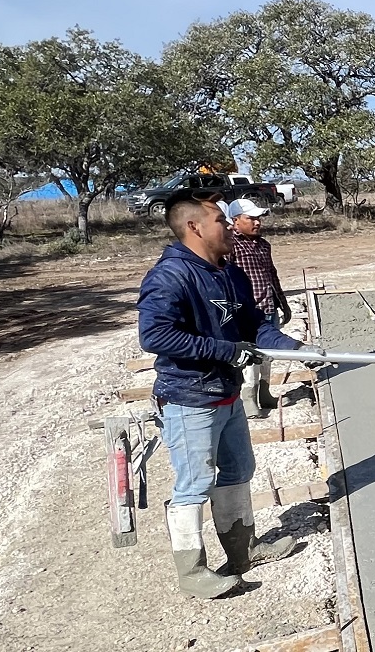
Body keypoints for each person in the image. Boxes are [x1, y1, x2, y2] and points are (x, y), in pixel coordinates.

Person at [139, 195, 307, 599]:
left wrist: (296, 348)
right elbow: (155, 335)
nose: (229, 226)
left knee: (239, 469)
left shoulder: (229, 273)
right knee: (195, 484)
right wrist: (225, 350)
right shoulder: (171, 276)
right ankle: (193, 572)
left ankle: (242, 552)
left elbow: (254, 326)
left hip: (226, 391)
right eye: (220, 220)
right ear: (194, 227)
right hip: (189, 396)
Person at [225, 197, 290, 419]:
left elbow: (272, 274)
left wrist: (283, 302)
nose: (257, 222)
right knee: (251, 356)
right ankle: (249, 398)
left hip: (268, 307)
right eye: (251, 218)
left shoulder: (263, 245)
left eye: (258, 218)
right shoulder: (231, 246)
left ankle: (265, 392)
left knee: (268, 354)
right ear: (235, 221)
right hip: (248, 313)